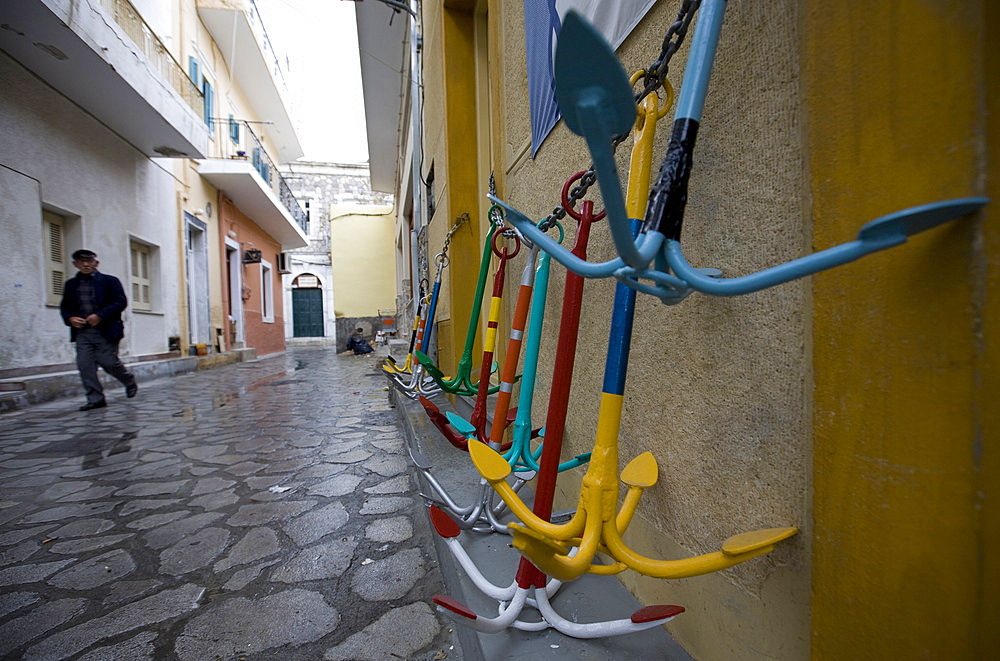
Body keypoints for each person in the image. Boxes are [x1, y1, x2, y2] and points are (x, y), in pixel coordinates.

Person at [60, 249, 138, 410]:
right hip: (83, 332)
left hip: (106, 330)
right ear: (75, 264)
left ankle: (128, 380)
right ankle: (95, 398)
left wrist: (100, 315)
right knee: (85, 365)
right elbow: (65, 307)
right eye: (81, 261)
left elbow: (120, 302)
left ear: (96, 263)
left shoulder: (110, 281)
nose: (86, 264)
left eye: (89, 261)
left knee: (108, 362)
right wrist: (70, 318)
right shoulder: (71, 285)